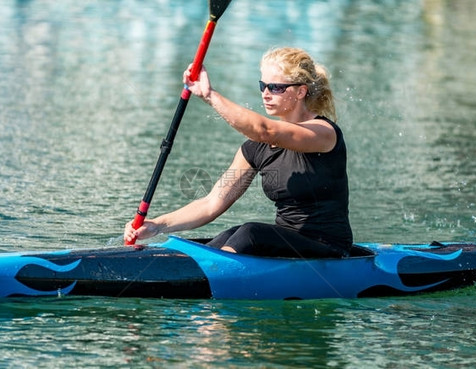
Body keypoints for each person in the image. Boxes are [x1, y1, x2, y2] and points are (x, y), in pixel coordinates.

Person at [124, 47, 352, 258]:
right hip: (285, 243)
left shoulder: (323, 133)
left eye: (276, 87)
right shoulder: (254, 149)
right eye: (263, 86)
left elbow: (265, 130)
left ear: (301, 91)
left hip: (329, 247)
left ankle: (209, 280)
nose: (266, 94)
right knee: (229, 234)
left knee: (250, 232)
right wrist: (157, 225)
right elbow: (212, 203)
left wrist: (209, 95)